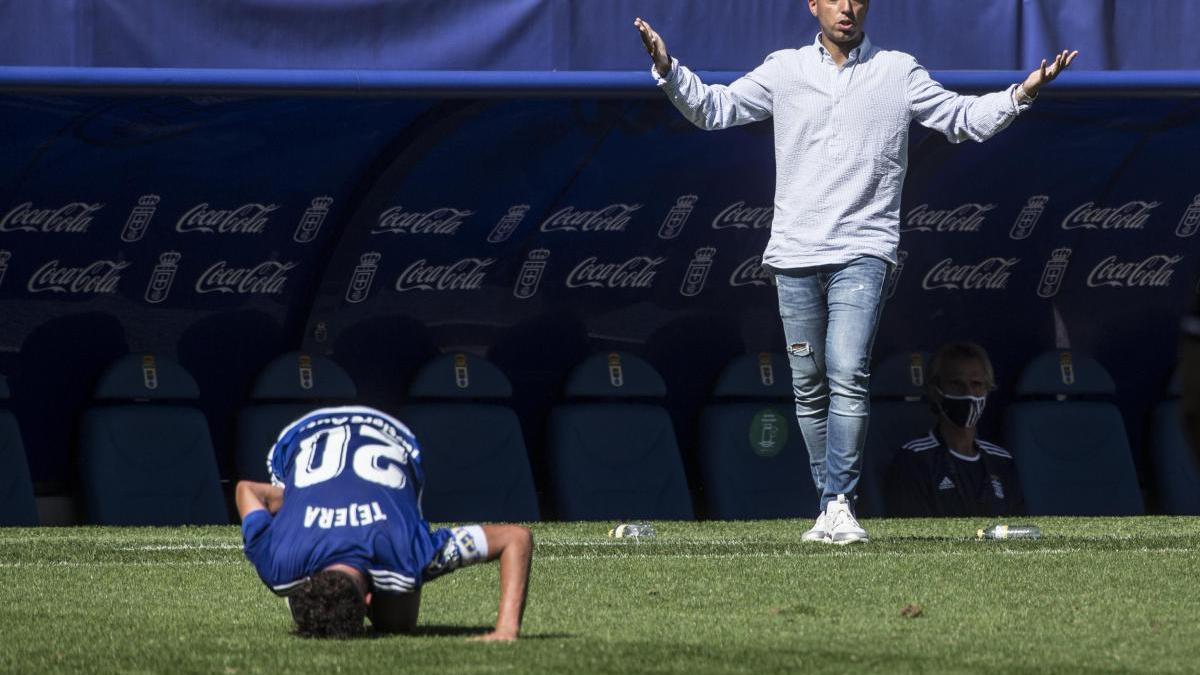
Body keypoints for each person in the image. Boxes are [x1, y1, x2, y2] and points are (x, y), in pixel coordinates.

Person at [634, 2, 1075, 543]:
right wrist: (666, 67)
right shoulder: (784, 69)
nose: (847, 8)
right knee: (808, 385)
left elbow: (962, 120)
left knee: (847, 370)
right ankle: (831, 506)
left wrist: (1022, 93)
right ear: (813, 5)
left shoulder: (898, 70)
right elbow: (713, 109)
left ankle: (839, 500)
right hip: (794, 252)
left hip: (864, 250)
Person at [237, 406, 533, 640]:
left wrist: (507, 631)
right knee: (397, 617)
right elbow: (248, 490)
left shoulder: (408, 555)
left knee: (399, 622)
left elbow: (516, 538)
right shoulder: (279, 564)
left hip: (356, 435)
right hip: (329, 434)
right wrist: (304, 500)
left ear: (368, 599)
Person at [885, 342, 1022, 517]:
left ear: (988, 390)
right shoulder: (914, 459)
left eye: (977, 384)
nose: (968, 392)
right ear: (935, 391)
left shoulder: (1002, 460)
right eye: (956, 383)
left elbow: (1020, 530)